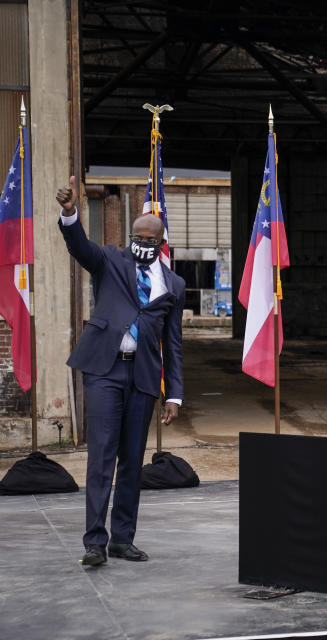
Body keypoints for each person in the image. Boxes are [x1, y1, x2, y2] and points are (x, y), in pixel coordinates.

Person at [56, 176, 185, 566]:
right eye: (138, 237)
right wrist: (69, 213)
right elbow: (79, 246)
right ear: (131, 236)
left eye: (150, 239)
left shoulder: (174, 284)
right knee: (101, 456)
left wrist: (175, 393)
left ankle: (121, 539)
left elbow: (174, 343)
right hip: (104, 371)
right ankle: (95, 541)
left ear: (161, 243)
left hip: (143, 378)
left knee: (133, 459)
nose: (143, 243)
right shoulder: (110, 261)